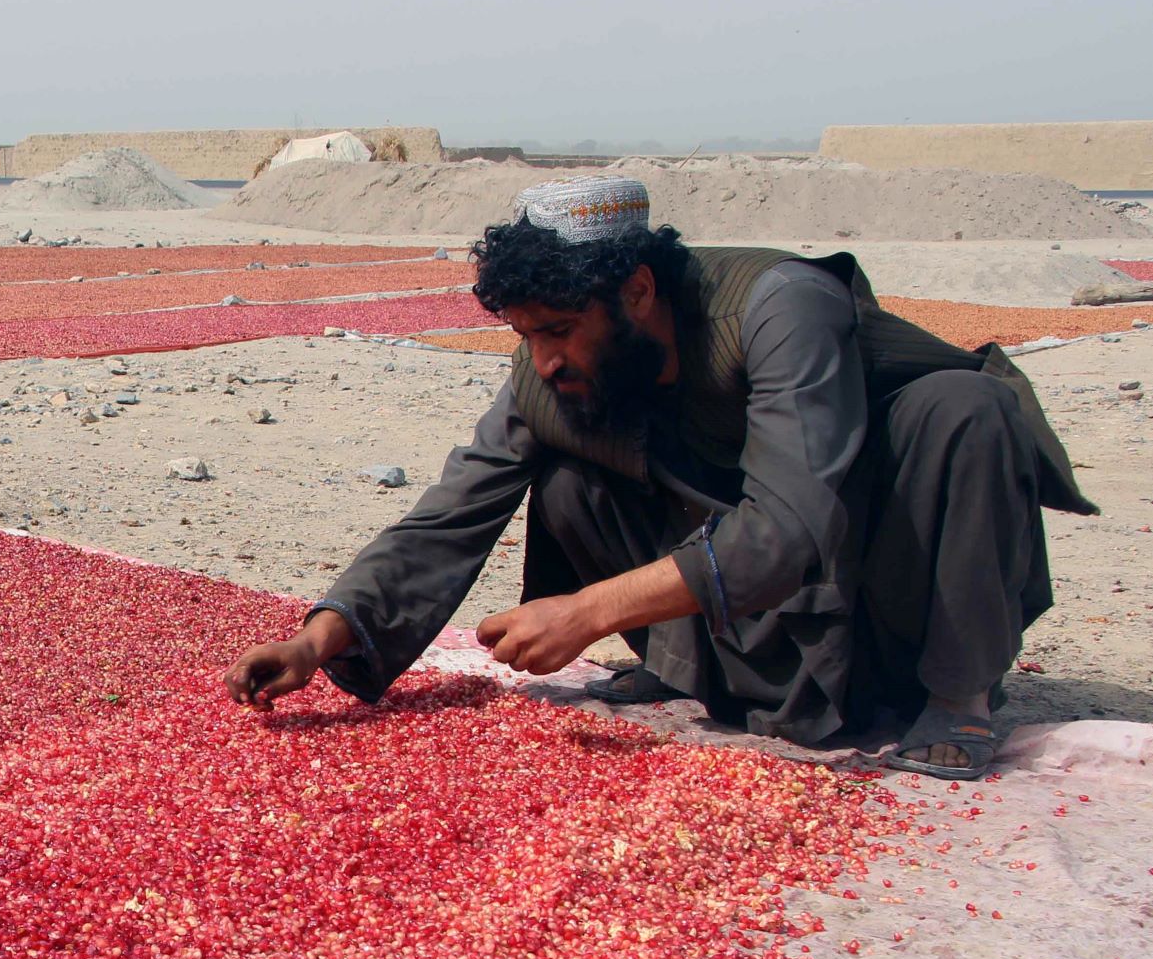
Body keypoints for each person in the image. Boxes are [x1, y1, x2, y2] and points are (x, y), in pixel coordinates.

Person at [221, 176, 1096, 778]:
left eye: (561, 329)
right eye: (528, 336)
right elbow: (450, 510)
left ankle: (958, 694)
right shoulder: (550, 371)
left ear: (636, 291)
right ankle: (693, 671)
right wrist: (319, 636)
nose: (546, 357)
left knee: (963, 411)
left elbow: (791, 525)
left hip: (874, 558)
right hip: (749, 594)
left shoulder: (777, 307)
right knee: (566, 470)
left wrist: (590, 610)